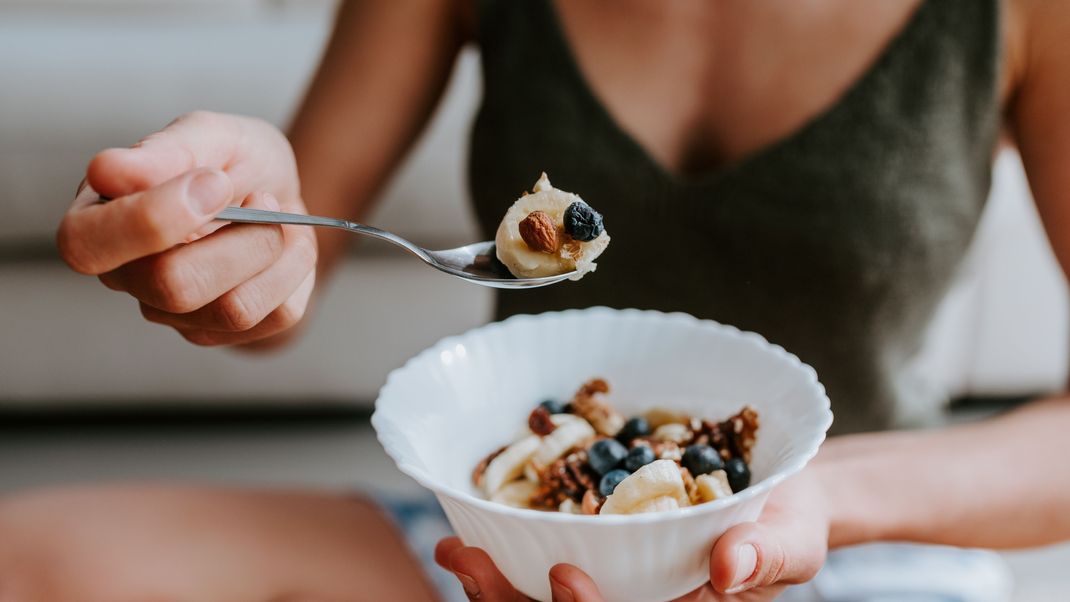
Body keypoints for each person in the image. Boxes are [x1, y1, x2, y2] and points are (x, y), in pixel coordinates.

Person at [11, 0, 1070, 599]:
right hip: (513, 542)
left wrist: (819, 496)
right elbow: (289, 265)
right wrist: (237, 225)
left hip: (856, 544)